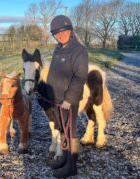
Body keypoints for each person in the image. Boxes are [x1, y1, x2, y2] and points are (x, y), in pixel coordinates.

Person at [46, 15, 88, 178]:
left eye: (63, 32)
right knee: (62, 131)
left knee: (70, 132)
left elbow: (80, 77)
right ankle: (64, 159)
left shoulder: (79, 51)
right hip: (55, 100)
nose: (60, 36)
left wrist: (69, 99)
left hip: (68, 101)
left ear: (70, 31)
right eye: (56, 33)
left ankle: (71, 166)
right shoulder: (58, 49)